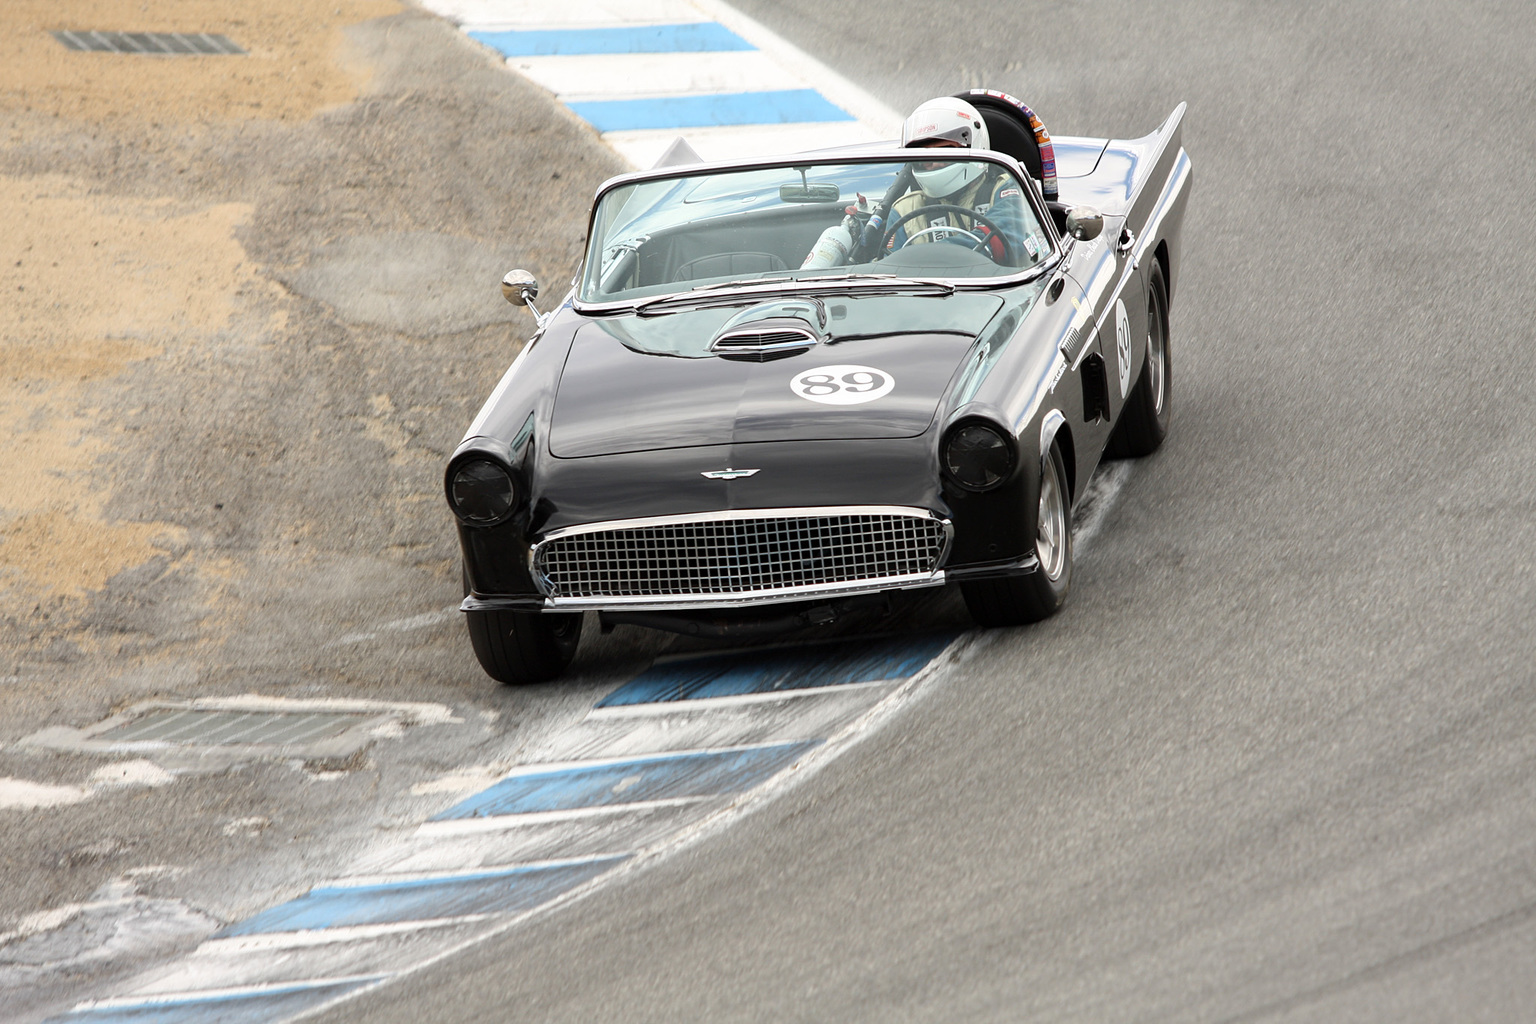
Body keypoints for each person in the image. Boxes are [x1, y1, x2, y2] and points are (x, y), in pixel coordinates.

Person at [882, 96, 1045, 267]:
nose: (934, 163)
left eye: (944, 151)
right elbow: (889, 271)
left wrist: (919, 262)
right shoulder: (904, 211)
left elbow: (1009, 237)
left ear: (974, 146)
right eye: (924, 157)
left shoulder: (1007, 189)